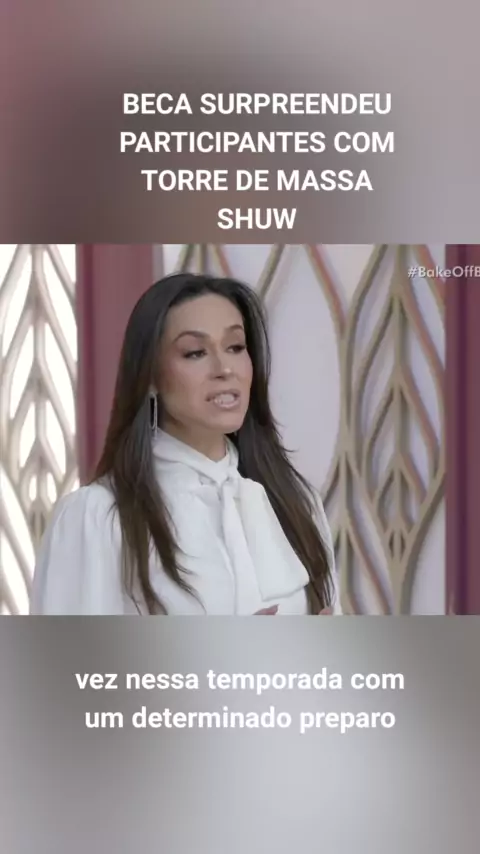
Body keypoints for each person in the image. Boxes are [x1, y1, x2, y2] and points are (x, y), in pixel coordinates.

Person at [30, 273, 342, 616]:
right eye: (195, 353)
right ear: (150, 377)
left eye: (236, 347)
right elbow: (67, 653)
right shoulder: (100, 518)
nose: (224, 368)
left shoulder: (296, 504)